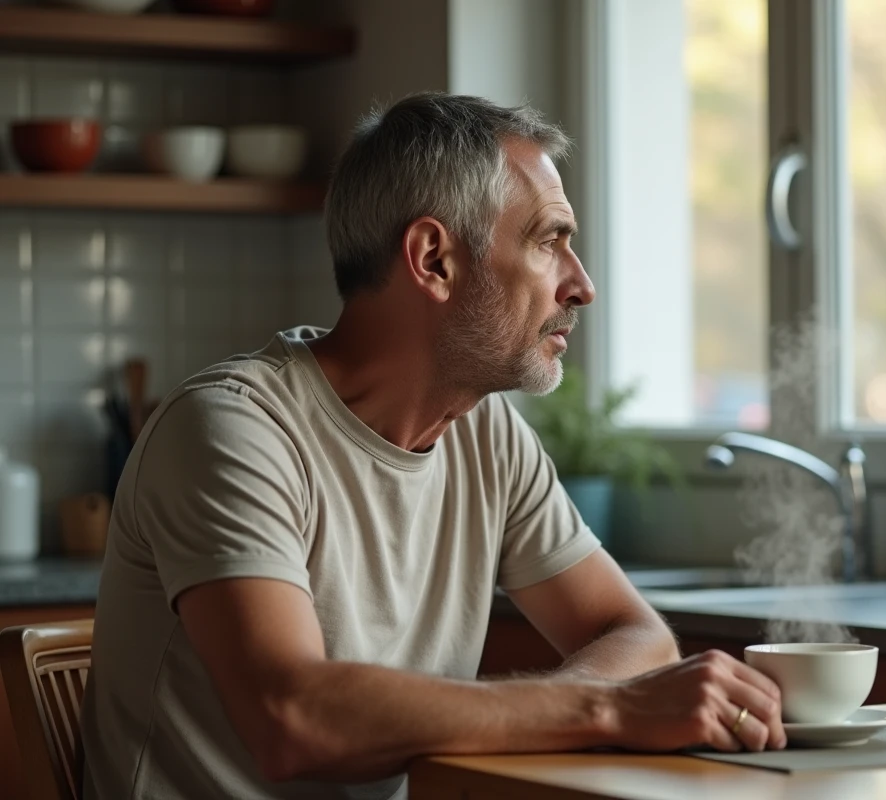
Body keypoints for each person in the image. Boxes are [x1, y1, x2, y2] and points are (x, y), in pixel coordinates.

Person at [80, 92, 786, 800]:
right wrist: (606, 709)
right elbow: (292, 720)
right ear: (433, 259)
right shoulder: (233, 429)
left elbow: (635, 633)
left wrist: (586, 705)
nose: (582, 286)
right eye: (548, 242)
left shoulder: (488, 435)